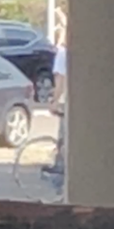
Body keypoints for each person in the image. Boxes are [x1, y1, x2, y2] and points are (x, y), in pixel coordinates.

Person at [47, 32, 68, 176]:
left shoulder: (61, 55)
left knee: (64, 136)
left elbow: (60, 84)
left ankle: (61, 167)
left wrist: (54, 102)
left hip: (66, 102)